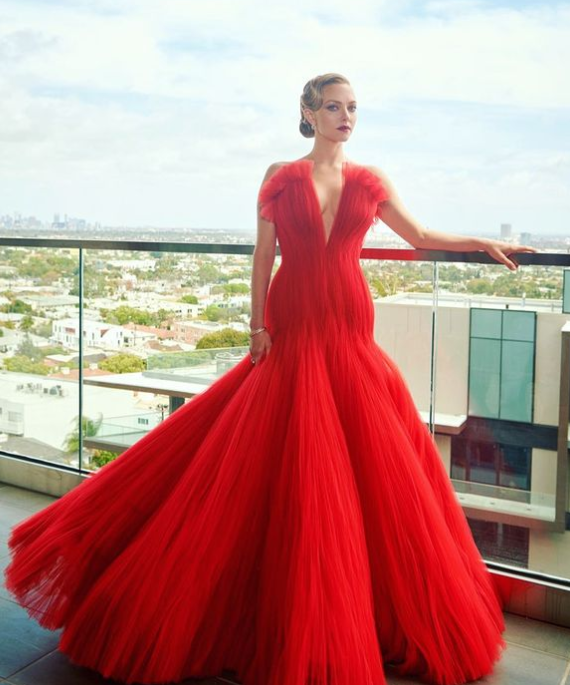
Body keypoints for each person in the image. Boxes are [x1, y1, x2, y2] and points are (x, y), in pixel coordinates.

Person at [4, 73, 536, 685]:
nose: (346, 116)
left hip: (348, 325)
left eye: (353, 107)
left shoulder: (371, 180)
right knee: (285, 454)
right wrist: (257, 328)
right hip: (293, 321)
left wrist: (477, 241)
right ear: (308, 113)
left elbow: (417, 236)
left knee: (365, 464)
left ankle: (364, 607)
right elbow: (264, 256)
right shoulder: (280, 176)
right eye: (333, 107)